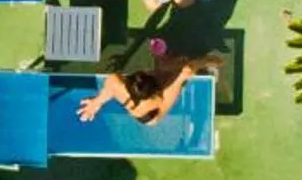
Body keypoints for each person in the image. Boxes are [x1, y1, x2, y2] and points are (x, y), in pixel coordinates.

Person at [75, 51, 225, 126]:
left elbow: (109, 91)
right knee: (177, 71)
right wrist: (206, 60)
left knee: (167, 66)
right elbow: (186, 71)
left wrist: (97, 103)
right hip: (152, 116)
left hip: (142, 100)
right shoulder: (162, 99)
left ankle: (165, 62)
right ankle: (171, 64)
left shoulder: (115, 82)